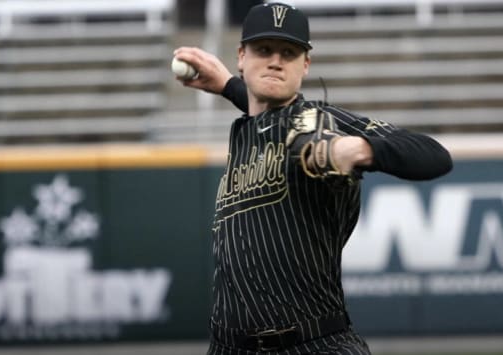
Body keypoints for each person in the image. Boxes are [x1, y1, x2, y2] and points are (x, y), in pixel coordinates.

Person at [173, 3, 453, 354]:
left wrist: (358, 150)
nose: (276, 60)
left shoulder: (320, 122)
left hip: (313, 343)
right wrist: (228, 85)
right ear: (241, 56)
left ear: (305, 65)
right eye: (263, 50)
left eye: (288, 53)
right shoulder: (247, 127)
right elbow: (264, 113)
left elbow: (434, 155)